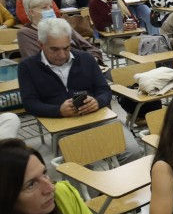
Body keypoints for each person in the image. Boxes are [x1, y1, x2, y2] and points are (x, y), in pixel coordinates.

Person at [18, 18, 143, 163]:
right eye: (54, 49)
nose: (62, 55)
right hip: (64, 126)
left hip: (98, 119)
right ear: (41, 45)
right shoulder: (27, 67)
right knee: (78, 165)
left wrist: (97, 102)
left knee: (132, 152)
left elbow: (104, 90)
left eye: (66, 48)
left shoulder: (86, 59)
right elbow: (30, 104)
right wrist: (58, 110)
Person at [17, 0, 102, 64]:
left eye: (51, 7)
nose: (50, 10)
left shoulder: (62, 24)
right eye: (44, 8)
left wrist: (93, 60)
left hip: (84, 65)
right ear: (31, 12)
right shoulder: (26, 33)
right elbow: (36, 63)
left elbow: (90, 48)